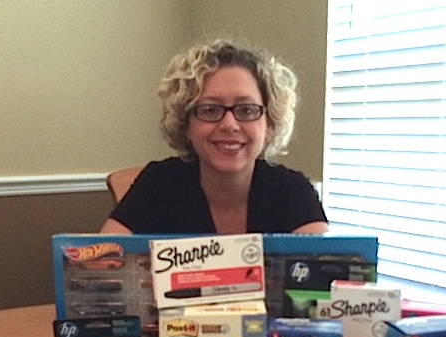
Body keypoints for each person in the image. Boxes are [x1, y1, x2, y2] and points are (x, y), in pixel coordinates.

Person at [100, 39, 328, 235]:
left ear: (269, 124)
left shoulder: (292, 190)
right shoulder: (158, 184)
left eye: (246, 110)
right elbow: (97, 264)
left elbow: (330, 270)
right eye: (210, 110)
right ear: (186, 124)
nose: (229, 124)